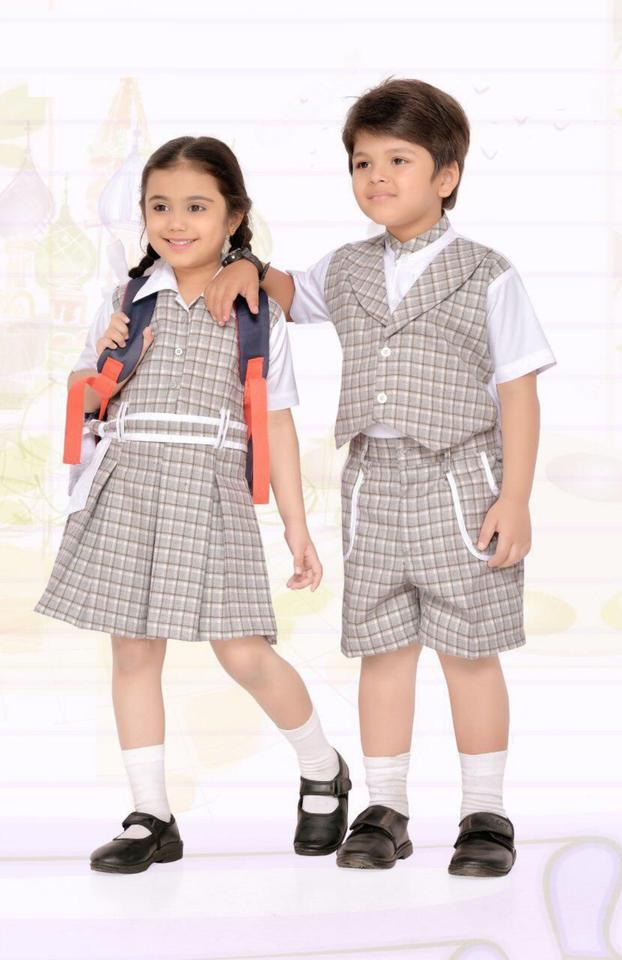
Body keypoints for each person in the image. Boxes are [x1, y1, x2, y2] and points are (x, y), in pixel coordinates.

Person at [204, 79, 557, 876]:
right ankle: (386, 807)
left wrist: (515, 498)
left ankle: (484, 811)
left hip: (462, 478)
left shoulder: (486, 273)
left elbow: (519, 390)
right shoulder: (350, 267)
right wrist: (246, 264)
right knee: (383, 646)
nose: (377, 176)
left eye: (399, 160)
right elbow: (286, 293)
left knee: (469, 649)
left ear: (447, 174)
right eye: (363, 162)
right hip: (373, 481)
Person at [34, 136, 352, 874]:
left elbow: (276, 421)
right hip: (129, 481)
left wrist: (297, 529)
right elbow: (84, 402)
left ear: (234, 216)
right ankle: (151, 813)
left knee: (243, 650)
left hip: (209, 486)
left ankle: (321, 766)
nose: (176, 222)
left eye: (197, 207)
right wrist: (105, 362)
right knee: (133, 650)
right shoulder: (125, 300)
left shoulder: (254, 311)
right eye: (160, 206)